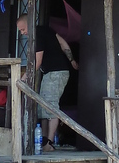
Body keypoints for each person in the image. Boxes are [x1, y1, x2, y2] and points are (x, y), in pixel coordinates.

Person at [16, 15, 78, 148]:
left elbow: (37, 63)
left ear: (30, 24)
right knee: (43, 106)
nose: (22, 33)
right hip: (52, 73)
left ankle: (49, 142)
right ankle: (43, 141)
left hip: (56, 73)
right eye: (20, 31)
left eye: (23, 29)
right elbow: (63, 43)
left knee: (51, 106)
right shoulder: (45, 30)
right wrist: (72, 60)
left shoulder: (37, 35)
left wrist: (23, 78)